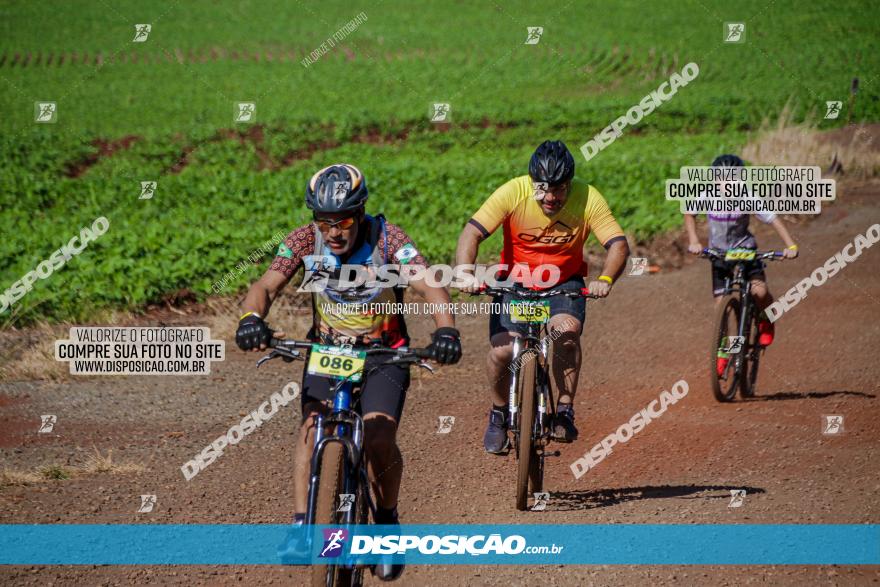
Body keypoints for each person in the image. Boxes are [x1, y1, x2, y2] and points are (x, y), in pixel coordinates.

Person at [236, 163, 461, 581]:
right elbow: (265, 285)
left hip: (383, 355)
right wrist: (251, 317)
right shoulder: (303, 240)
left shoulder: (389, 240)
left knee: (378, 435)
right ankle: (303, 524)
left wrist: (445, 328)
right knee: (311, 427)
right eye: (324, 222)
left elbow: (429, 284)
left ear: (360, 215)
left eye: (342, 222)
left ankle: (387, 526)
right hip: (327, 351)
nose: (333, 232)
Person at [455, 140, 629, 453]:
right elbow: (472, 232)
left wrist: (605, 279)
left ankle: (563, 410)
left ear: (570, 183)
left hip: (563, 285)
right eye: (542, 189)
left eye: (559, 189)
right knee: (501, 353)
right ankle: (497, 414)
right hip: (516, 285)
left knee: (565, 335)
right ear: (532, 183)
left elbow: (617, 244)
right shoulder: (513, 191)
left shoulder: (588, 197)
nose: (549, 197)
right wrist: (465, 272)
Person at [683, 154, 798, 376]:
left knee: (759, 291)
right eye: (722, 178)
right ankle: (724, 352)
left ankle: (766, 320)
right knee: (720, 306)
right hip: (719, 254)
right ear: (714, 180)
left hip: (746, 251)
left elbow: (773, 219)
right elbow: (689, 214)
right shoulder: (706, 196)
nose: (727, 183)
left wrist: (790, 245)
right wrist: (694, 241)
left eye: (733, 178)